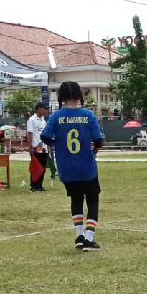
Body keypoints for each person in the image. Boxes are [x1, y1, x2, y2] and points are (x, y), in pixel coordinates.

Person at [41, 82, 104, 252]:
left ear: (61, 97)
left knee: (75, 199)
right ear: (79, 95)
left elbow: (45, 137)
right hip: (86, 166)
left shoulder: (56, 116)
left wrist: (57, 143)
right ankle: (89, 238)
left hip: (66, 168)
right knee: (92, 200)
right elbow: (98, 140)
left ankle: (78, 235)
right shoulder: (88, 115)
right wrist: (94, 151)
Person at [27, 103, 48, 192]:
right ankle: (34, 185)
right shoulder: (32, 120)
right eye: (43, 109)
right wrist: (30, 146)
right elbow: (30, 133)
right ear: (38, 109)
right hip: (36, 147)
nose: (44, 111)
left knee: (43, 167)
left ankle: (40, 185)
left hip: (44, 147)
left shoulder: (43, 120)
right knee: (36, 166)